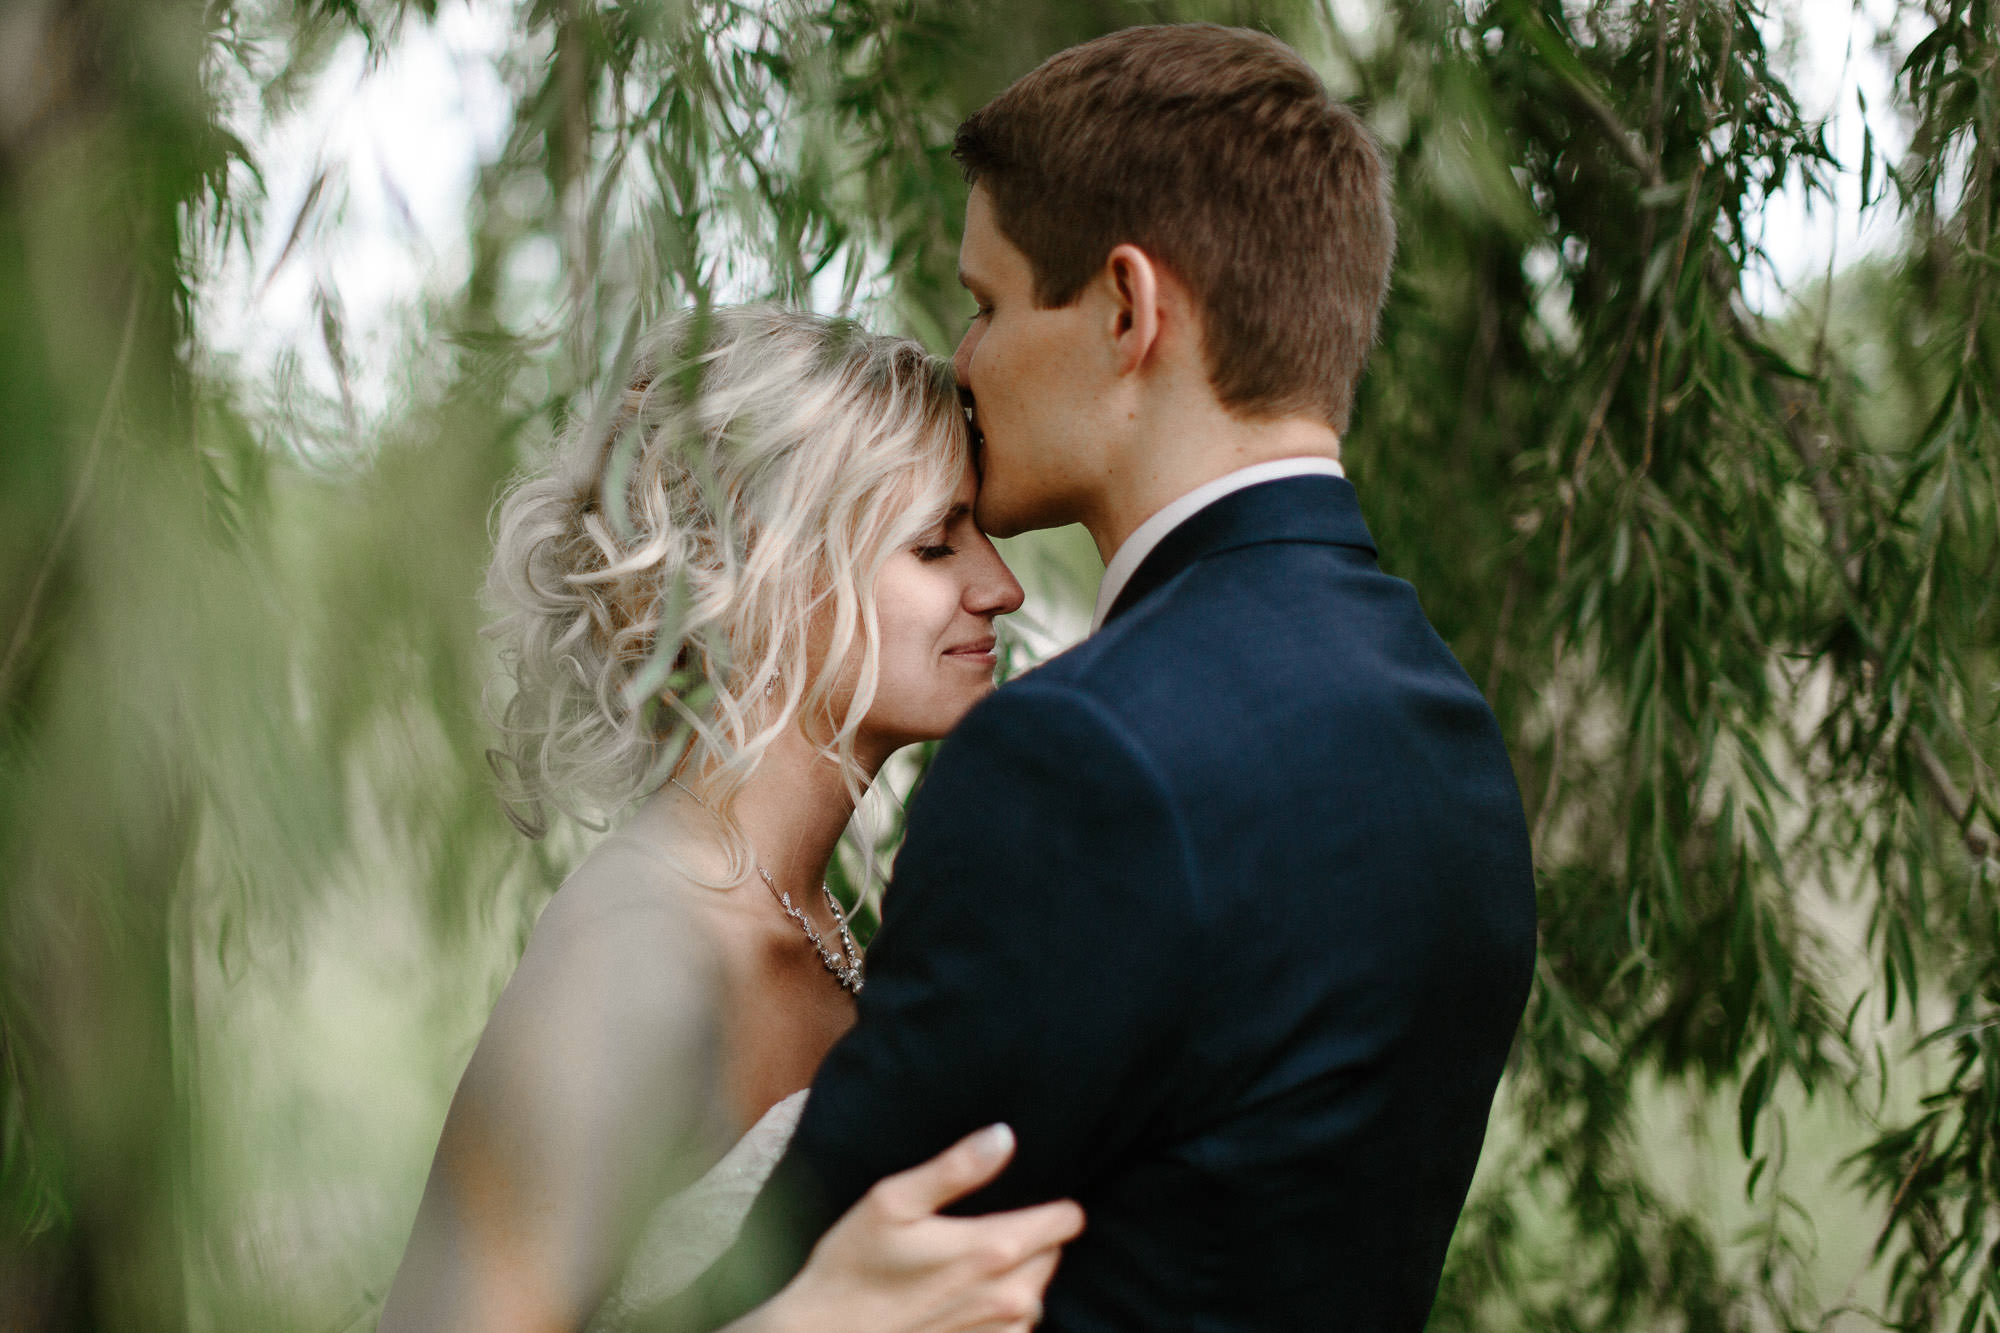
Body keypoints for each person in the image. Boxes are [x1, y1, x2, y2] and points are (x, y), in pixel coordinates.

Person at [689, 23, 1540, 1332]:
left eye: (985, 305)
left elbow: (798, 1275)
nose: (961, 364)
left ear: (1129, 309)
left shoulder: (1079, 762)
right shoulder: (1450, 733)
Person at [378, 306, 1084, 1333]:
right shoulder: (632, 947)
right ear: (767, 578)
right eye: (934, 546)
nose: (1003, 587)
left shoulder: (834, 922)